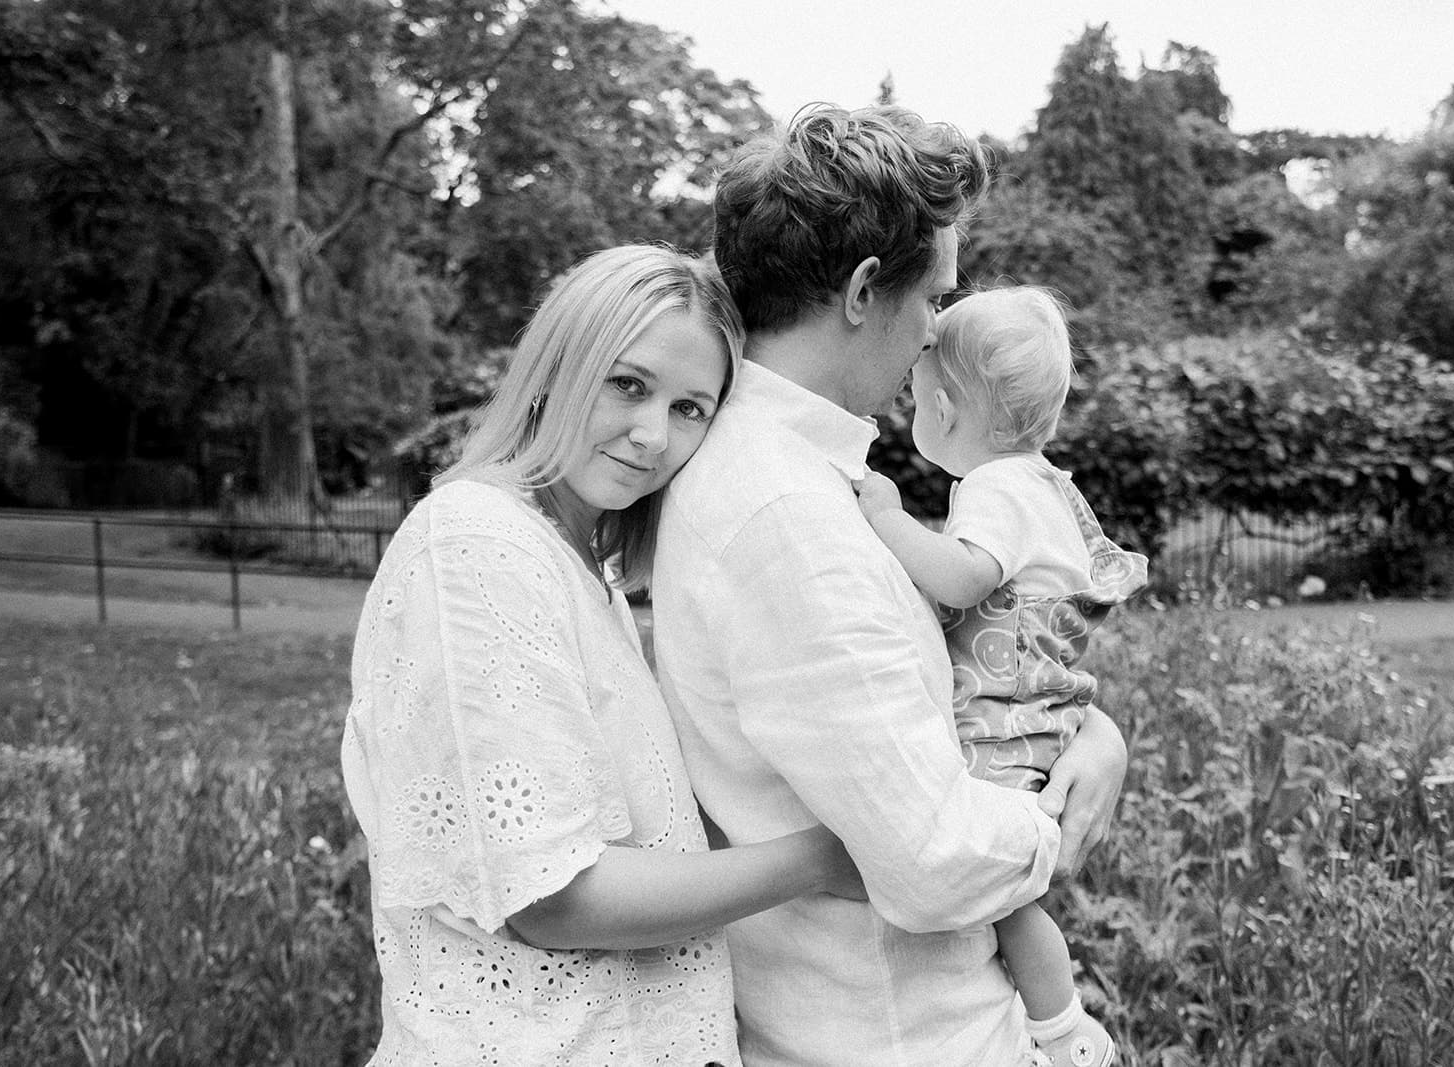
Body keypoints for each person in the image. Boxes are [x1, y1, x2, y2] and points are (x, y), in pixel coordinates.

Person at [652, 105, 1130, 1065]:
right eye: (934, 298)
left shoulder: (803, 479)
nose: (934, 333)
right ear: (867, 290)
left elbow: (922, 694)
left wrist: (1093, 731)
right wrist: (1056, 811)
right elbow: (934, 862)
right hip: (904, 1033)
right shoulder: (786, 520)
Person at [340, 244, 862, 1066]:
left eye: (691, 408)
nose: (654, 435)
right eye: (629, 384)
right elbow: (551, 895)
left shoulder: (589, 573)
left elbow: (658, 847)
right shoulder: (475, 542)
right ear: (559, 365)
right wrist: (826, 853)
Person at [855, 286, 1149, 1067]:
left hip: (1004, 723)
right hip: (1037, 715)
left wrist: (884, 520)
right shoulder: (1047, 484)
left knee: (1002, 896)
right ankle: (1048, 1021)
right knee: (1010, 899)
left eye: (916, 398)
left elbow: (962, 579)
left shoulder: (994, 488)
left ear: (944, 407)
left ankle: (1062, 1031)